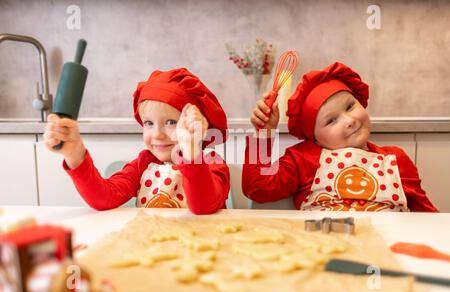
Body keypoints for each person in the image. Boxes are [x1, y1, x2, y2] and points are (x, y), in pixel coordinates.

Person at [243, 61, 438, 212]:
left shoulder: (396, 160)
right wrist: (264, 133)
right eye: (331, 121)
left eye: (350, 106)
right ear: (315, 138)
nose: (349, 121)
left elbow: (426, 217)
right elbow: (256, 188)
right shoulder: (303, 158)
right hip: (325, 252)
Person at [44, 68, 230, 214]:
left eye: (171, 122)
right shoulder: (144, 164)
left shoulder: (213, 163)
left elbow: (203, 207)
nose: (157, 134)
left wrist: (191, 153)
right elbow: (103, 198)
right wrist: (74, 153)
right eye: (149, 123)